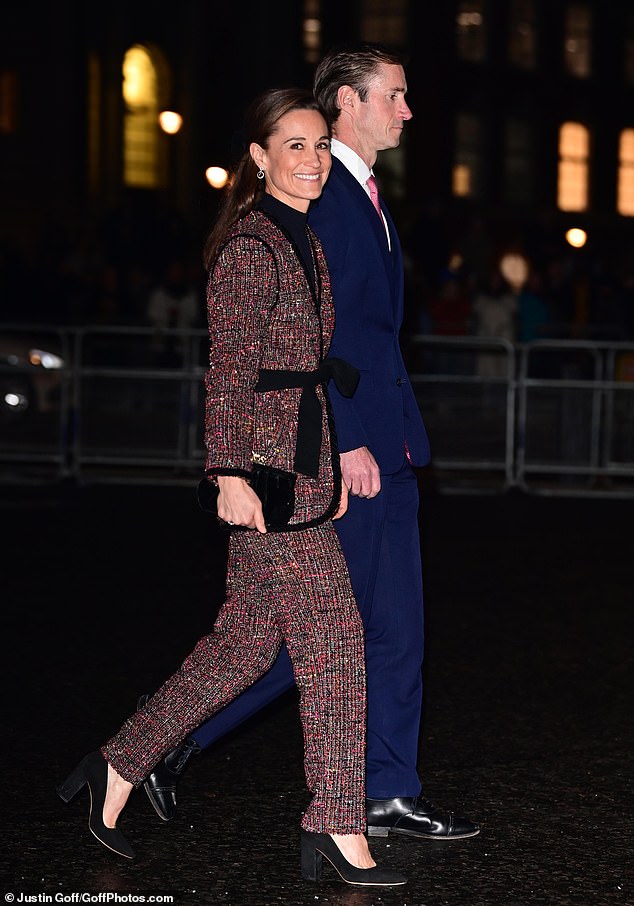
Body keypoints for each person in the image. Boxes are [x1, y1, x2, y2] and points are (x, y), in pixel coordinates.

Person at [56, 86, 406, 888]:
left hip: (300, 471)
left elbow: (307, 378)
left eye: (321, 146)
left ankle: (118, 762)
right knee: (337, 642)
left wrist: (329, 467)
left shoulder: (303, 239)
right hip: (264, 477)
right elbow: (230, 375)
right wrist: (226, 473)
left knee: (245, 647)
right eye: (295, 146)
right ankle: (338, 824)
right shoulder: (252, 245)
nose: (313, 160)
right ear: (258, 157)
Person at [142, 43, 479, 843]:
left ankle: (389, 790)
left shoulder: (364, 196)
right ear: (348, 103)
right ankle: (167, 745)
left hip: (391, 446)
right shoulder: (319, 203)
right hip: (349, 452)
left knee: (399, 630)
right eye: (393, 96)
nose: (406, 110)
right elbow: (309, 348)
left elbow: (372, 335)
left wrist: (391, 439)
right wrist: (350, 442)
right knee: (319, 639)